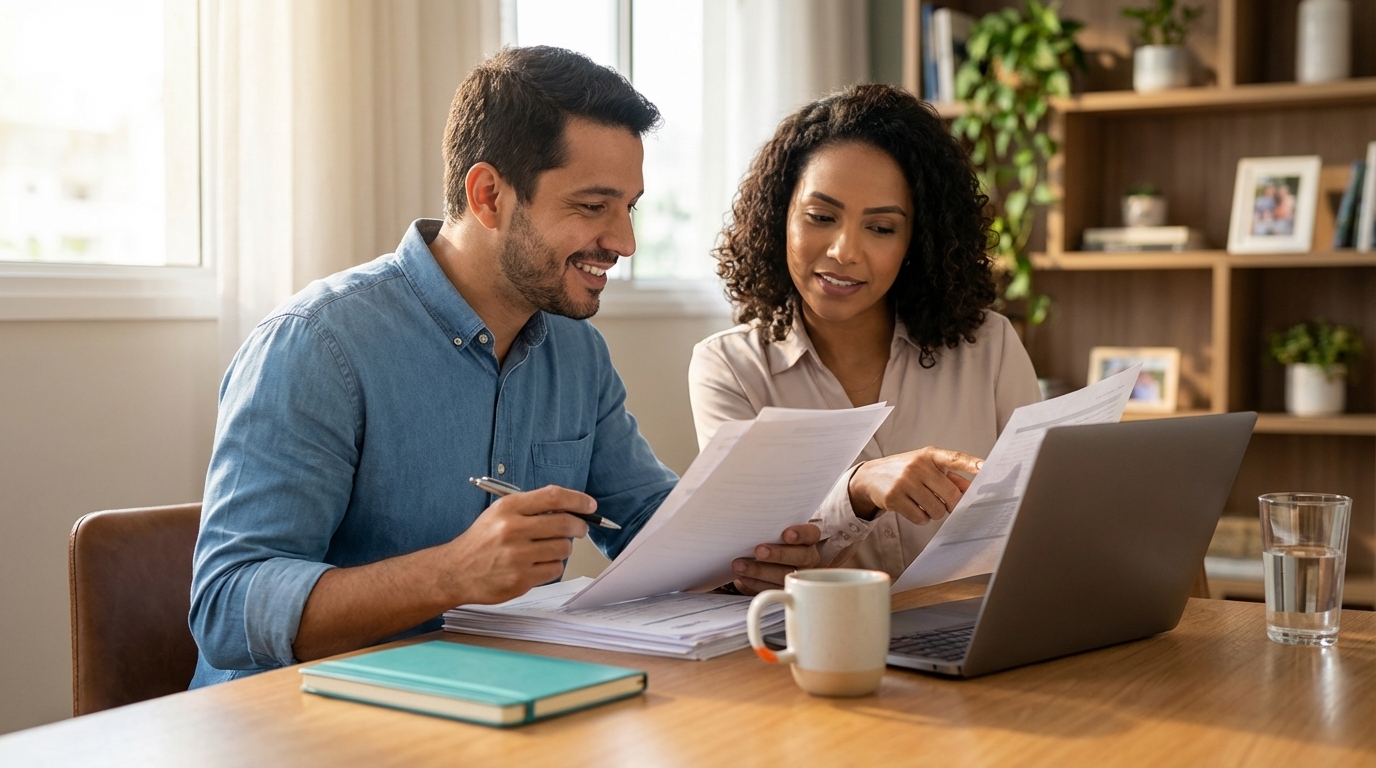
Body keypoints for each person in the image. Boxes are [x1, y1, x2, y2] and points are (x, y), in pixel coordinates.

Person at [188, 46, 817, 687]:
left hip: (499, 702)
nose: (624, 242)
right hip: (300, 726)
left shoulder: (576, 352)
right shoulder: (315, 346)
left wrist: (751, 555)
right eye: (592, 206)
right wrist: (452, 573)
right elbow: (226, 605)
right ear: (489, 196)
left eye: (630, 207)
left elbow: (649, 527)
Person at [689, 83, 1041, 588]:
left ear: (915, 242)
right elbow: (751, 558)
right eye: (821, 217)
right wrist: (857, 492)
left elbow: (1042, 511)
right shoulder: (730, 370)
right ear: (779, 217)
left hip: (977, 636)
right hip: (814, 647)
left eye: (881, 228)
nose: (843, 251)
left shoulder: (990, 347)